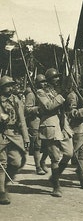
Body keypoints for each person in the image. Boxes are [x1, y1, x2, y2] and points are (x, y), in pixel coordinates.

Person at [37, 68, 74, 197]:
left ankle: (54, 176)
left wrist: (68, 94)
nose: (57, 79)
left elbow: (68, 107)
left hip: (63, 125)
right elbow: (48, 106)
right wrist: (61, 96)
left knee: (69, 153)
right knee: (55, 158)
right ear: (48, 80)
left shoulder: (59, 91)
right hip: (50, 126)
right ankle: (56, 186)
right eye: (55, 78)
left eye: (58, 77)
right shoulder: (41, 92)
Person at [0, 76, 29, 205]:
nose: (11, 88)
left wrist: (26, 137)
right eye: (8, 85)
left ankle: (5, 182)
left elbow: (22, 120)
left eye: (12, 85)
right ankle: (1, 192)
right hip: (1, 134)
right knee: (2, 164)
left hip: (14, 134)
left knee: (16, 162)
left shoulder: (15, 99)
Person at [24, 74, 48, 175]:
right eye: (42, 82)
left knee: (48, 145)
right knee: (37, 146)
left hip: (45, 121)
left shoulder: (44, 93)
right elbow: (27, 109)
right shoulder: (31, 94)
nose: (44, 84)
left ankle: (42, 161)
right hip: (35, 122)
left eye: (45, 81)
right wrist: (38, 108)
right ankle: (38, 167)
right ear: (37, 83)